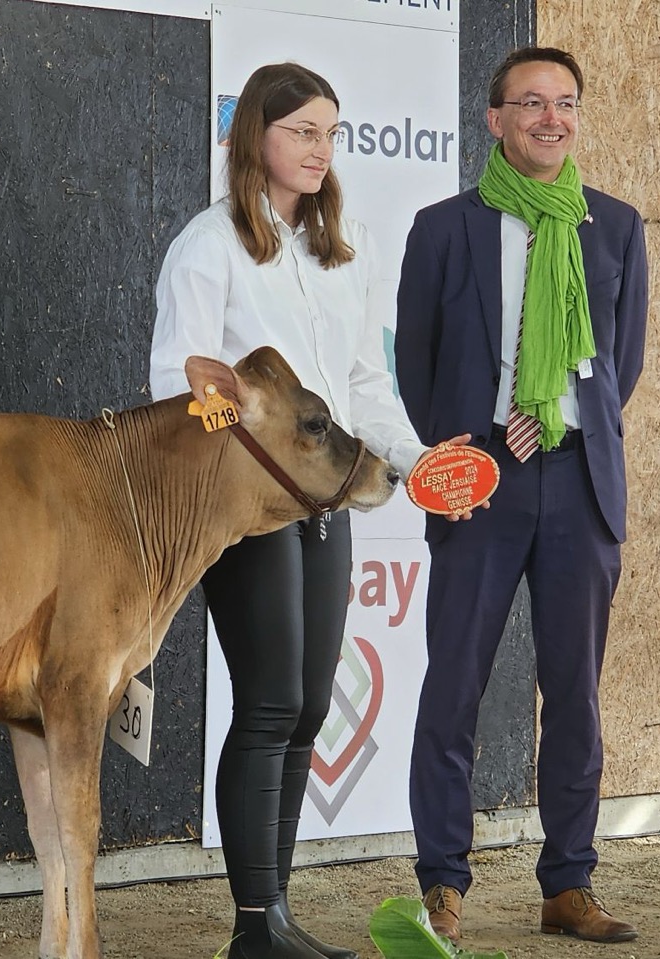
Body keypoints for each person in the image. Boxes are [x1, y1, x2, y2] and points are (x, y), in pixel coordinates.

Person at [149, 62, 452, 959]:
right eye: (302, 131)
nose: (321, 149)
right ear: (257, 140)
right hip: (248, 510)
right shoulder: (208, 246)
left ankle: (272, 920)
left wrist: (417, 457)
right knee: (272, 702)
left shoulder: (340, 248)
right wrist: (245, 440)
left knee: (312, 704)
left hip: (330, 502)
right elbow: (177, 380)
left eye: (331, 133)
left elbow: (365, 384)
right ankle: (257, 928)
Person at [395, 47, 649, 945]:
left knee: (575, 696)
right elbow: (416, 369)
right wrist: (475, 444)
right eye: (531, 103)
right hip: (481, 488)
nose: (552, 118)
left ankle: (568, 885)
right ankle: (442, 885)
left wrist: (559, 413)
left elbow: (622, 366)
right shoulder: (443, 228)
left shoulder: (614, 227)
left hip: (579, 488)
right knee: (453, 687)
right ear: (494, 119)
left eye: (566, 103)